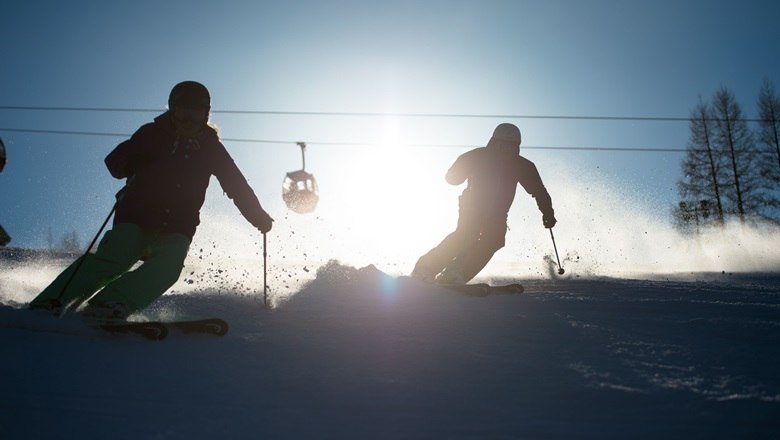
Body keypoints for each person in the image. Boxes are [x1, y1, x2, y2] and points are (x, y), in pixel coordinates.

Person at [29, 81, 274, 318]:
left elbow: (236, 185)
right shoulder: (152, 133)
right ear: (173, 110)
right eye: (183, 111)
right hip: (136, 213)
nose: (189, 118)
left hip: (178, 224)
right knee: (117, 255)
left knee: (169, 266)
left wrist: (257, 216)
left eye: (196, 112)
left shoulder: (211, 148)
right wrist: (130, 163)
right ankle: (54, 299)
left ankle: (111, 302)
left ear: (205, 115)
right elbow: (114, 160)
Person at [411, 123, 556, 284]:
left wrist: (548, 213)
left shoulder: (522, 166)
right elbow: (451, 178)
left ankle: (457, 273)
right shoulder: (478, 156)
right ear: (494, 142)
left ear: (517, 147)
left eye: (511, 146)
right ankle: (426, 268)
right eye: (503, 145)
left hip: (498, 212)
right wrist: (459, 172)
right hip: (472, 206)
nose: (506, 150)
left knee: (494, 239)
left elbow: (539, 191)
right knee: (467, 235)